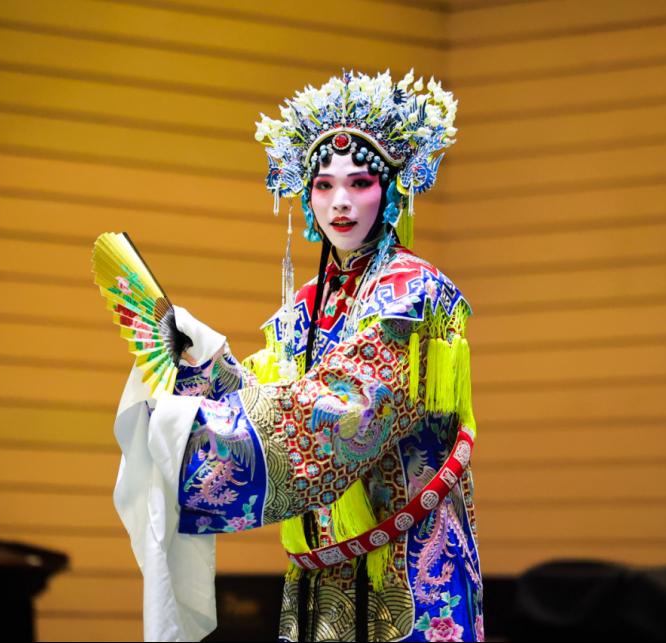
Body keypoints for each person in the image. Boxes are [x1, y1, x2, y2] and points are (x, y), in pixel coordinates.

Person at [112, 70, 483, 642]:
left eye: (360, 182)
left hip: (408, 568)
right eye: (324, 185)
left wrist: (190, 432)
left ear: (391, 189)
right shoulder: (307, 305)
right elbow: (271, 399)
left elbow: (342, 416)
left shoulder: (412, 294)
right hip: (317, 578)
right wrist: (202, 366)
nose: (340, 202)